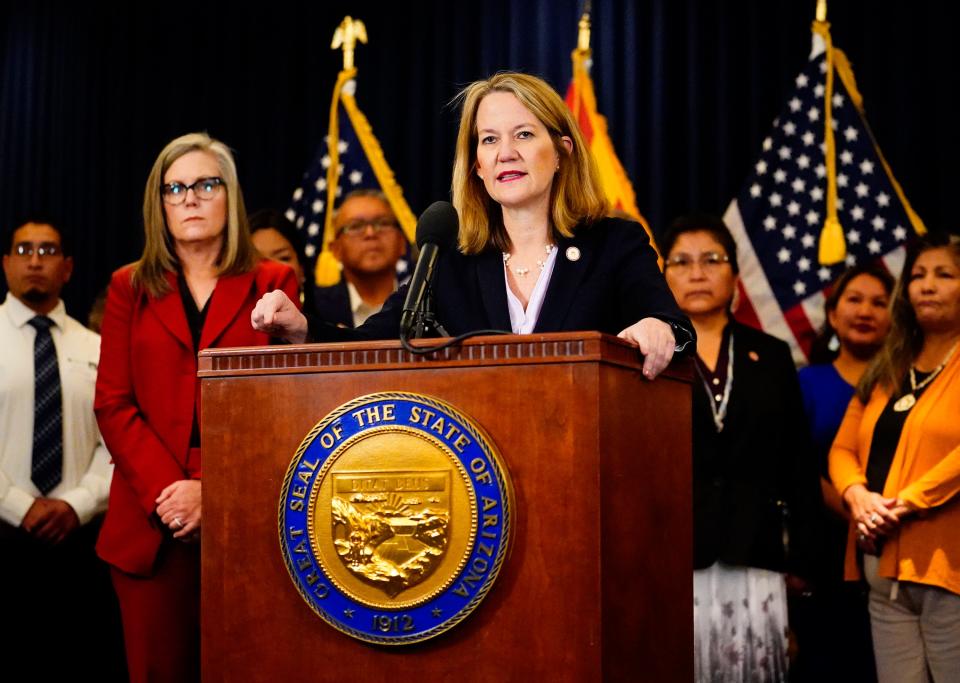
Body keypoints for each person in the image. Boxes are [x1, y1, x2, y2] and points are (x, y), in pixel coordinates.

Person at [253, 72, 692, 379]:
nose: (506, 152)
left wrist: (661, 329)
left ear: (561, 152)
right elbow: (373, 345)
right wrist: (302, 328)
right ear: (477, 166)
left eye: (523, 134)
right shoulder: (452, 262)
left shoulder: (615, 245)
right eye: (489, 139)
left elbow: (677, 330)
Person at [94, 133, 299, 683]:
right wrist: (174, 496)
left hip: (249, 519)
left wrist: (215, 490)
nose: (189, 198)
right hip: (148, 523)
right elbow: (113, 404)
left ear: (228, 196)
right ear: (158, 203)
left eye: (205, 184)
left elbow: (283, 406)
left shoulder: (273, 281)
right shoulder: (127, 287)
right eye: (175, 188)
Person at [661, 213, 820, 682]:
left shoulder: (770, 355)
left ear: (734, 273)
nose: (697, 273)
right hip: (674, 557)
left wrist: (805, 562)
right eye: (682, 262)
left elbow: (797, 464)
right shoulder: (646, 354)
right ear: (663, 274)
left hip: (757, 550)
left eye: (712, 260)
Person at [829, 233, 960, 683]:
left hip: (948, 568)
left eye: (944, 274)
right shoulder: (890, 365)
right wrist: (858, 495)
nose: (926, 285)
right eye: (919, 275)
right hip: (881, 567)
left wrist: (905, 502)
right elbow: (843, 448)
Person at [0, 219, 126, 679]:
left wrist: (77, 504)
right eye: (24, 249)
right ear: (7, 262)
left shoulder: (97, 346)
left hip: (79, 543)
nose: (35, 260)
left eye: (48, 251)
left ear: (68, 267)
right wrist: (18, 505)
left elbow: (117, 441)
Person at [794, 265, 893, 682]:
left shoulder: (907, 384)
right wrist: (857, 512)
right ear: (832, 315)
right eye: (854, 300)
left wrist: (881, 518)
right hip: (823, 550)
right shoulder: (806, 382)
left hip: (893, 543)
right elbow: (794, 465)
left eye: (879, 302)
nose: (865, 311)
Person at [315, 189, 408, 328]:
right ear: (335, 249)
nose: (370, 233)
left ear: (402, 242)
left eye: (383, 223)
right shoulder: (315, 310)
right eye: (355, 226)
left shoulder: (425, 304)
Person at [249, 207, 314, 312]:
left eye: (283, 258)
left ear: (302, 270)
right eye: (259, 261)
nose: (274, 270)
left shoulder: (330, 322)